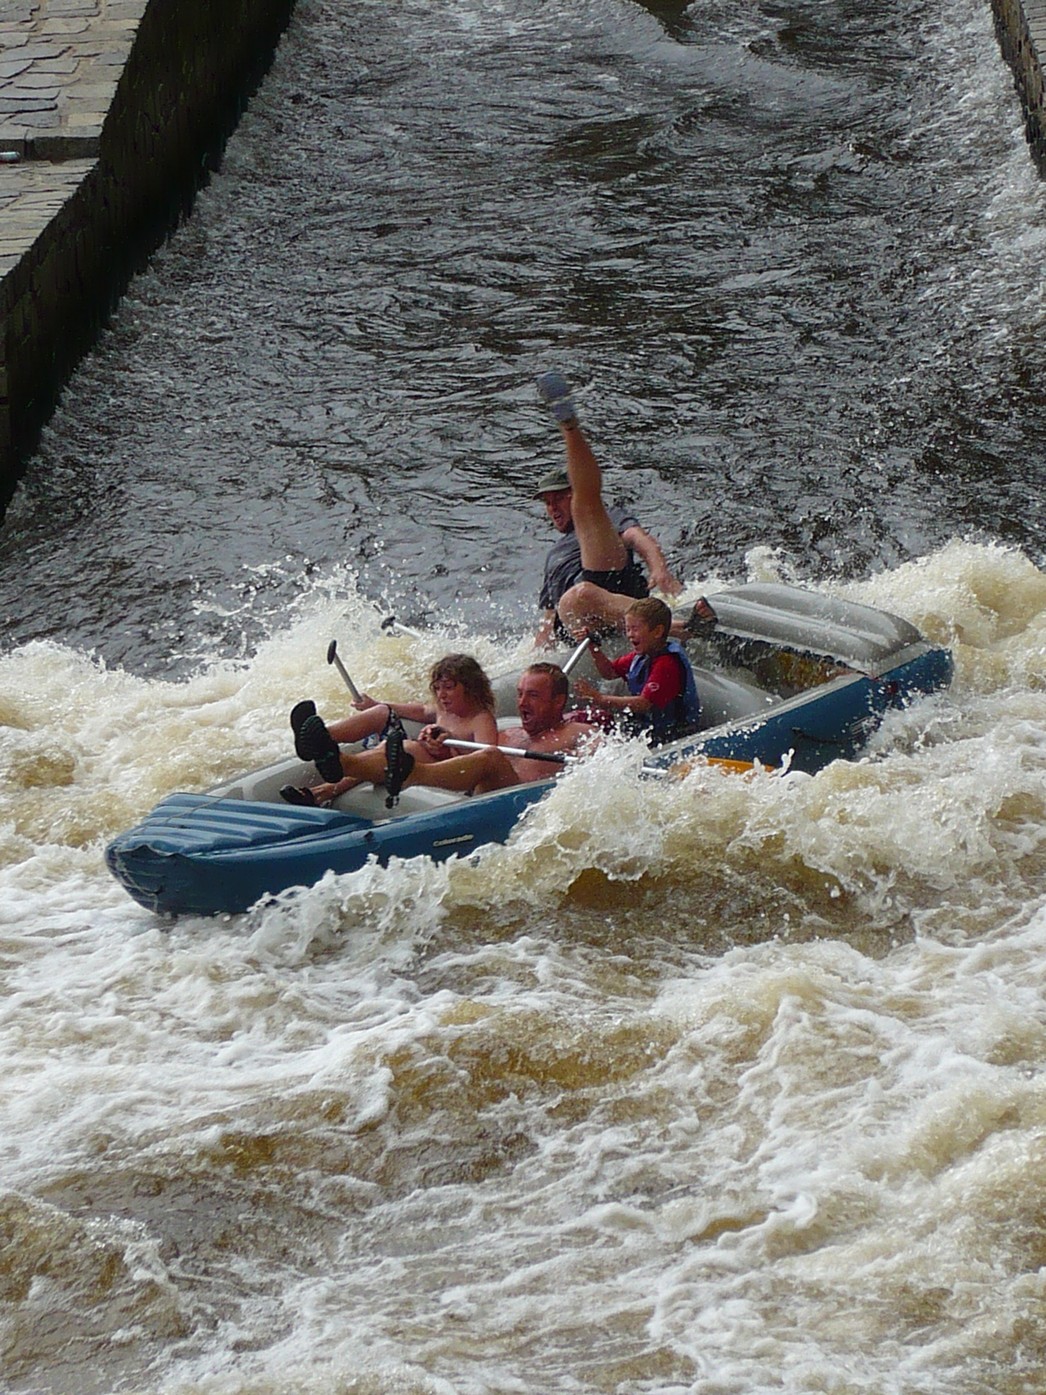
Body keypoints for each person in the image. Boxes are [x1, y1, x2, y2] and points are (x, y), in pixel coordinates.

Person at [290, 663, 593, 806]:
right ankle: (340, 761)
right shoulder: (511, 731)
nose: (522, 703)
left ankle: (410, 774)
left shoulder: (579, 732)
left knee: (490, 756)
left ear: (558, 702)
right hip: (476, 791)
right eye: (520, 694)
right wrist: (440, 745)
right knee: (409, 746)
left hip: (515, 802)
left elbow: (609, 764)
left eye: (533, 696)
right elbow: (465, 761)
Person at [533, 370, 683, 646]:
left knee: (587, 506)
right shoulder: (554, 556)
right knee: (576, 597)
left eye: (558, 498)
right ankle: (669, 626)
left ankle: (568, 425)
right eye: (547, 503)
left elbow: (638, 538)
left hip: (614, 588)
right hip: (578, 625)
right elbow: (548, 619)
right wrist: (538, 659)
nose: (552, 507)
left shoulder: (609, 516)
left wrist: (660, 570)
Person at [284, 653, 499, 805]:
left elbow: (483, 764)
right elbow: (421, 710)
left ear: (471, 688)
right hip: (420, 757)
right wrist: (376, 704)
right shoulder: (443, 709)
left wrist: (449, 747)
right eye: (437, 688)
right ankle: (320, 738)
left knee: (404, 748)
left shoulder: (481, 719)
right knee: (381, 712)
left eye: (449, 688)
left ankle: (326, 785)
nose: (442, 695)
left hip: (445, 773)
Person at [571, 596, 702, 746]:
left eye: (635, 629)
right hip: (647, 728)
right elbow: (609, 672)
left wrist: (601, 699)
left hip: (671, 736)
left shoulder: (667, 663)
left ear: (657, 631)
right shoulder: (640, 657)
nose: (629, 635)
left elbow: (644, 704)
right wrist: (593, 647)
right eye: (628, 629)